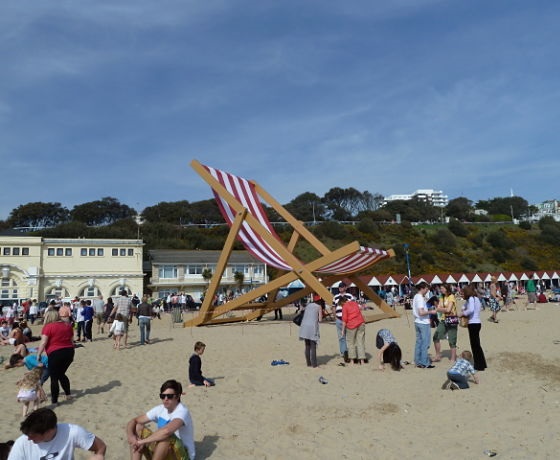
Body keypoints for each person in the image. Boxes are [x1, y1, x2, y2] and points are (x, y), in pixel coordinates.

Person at [126, 379, 195, 460]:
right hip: (162, 451)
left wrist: (142, 442)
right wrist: (132, 437)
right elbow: (134, 421)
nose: (165, 399)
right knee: (138, 427)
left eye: (169, 396)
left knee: (166, 437)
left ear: (177, 396)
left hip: (181, 456)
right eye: (162, 396)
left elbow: (167, 432)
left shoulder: (182, 411)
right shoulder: (160, 409)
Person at [8, 407, 106, 459]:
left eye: (32, 436)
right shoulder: (21, 443)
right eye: (27, 434)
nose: (28, 438)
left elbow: (100, 447)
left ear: (50, 431)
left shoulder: (72, 432)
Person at [36, 308, 75, 405]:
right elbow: (72, 341)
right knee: (61, 374)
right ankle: (68, 394)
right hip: (69, 352)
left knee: (54, 377)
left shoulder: (48, 327)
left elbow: (43, 342)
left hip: (56, 352)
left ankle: (54, 401)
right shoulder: (68, 326)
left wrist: (39, 354)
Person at [459, 284, 487, 371]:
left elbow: (470, 310)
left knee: (475, 345)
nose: (462, 295)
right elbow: (464, 307)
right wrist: (464, 308)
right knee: (477, 345)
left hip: (473, 323)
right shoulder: (475, 299)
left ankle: (479, 365)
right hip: (477, 323)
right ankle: (482, 363)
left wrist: (462, 313)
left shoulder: (471, 299)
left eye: (463, 293)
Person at [432, 283, 458, 362]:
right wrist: (441, 309)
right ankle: (437, 355)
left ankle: (453, 358)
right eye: (441, 288)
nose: (441, 290)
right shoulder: (441, 297)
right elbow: (440, 308)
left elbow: (448, 310)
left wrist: (440, 309)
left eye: (442, 288)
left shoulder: (451, 296)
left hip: (451, 320)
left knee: (452, 339)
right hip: (443, 319)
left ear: (447, 288)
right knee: (436, 336)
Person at [412, 282, 435, 368]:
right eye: (426, 289)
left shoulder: (416, 296)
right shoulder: (420, 298)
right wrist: (430, 311)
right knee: (425, 343)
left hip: (417, 321)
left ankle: (418, 361)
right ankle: (425, 362)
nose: (427, 290)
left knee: (419, 342)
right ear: (423, 288)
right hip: (423, 322)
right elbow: (421, 312)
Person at [331, 281, 354, 363]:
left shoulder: (349, 296)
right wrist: (335, 317)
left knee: (350, 337)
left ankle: (351, 352)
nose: (340, 288)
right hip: (339, 319)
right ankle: (343, 352)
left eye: (342, 286)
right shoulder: (335, 297)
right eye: (339, 287)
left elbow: (353, 306)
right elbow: (333, 307)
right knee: (341, 337)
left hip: (348, 319)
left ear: (345, 287)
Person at [341, 297, 366, 365]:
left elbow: (344, 320)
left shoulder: (344, 306)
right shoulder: (354, 303)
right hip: (361, 323)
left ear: (342, 302)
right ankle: (362, 360)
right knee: (360, 342)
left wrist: (342, 330)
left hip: (351, 325)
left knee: (351, 343)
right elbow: (360, 309)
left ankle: (352, 360)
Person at [299, 295, 322, 368]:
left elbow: (302, 309)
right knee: (313, 346)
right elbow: (320, 319)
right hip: (312, 327)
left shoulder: (308, 305)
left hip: (304, 326)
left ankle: (308, 363)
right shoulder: (319, 307)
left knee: (307, 346)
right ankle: (314, 365)